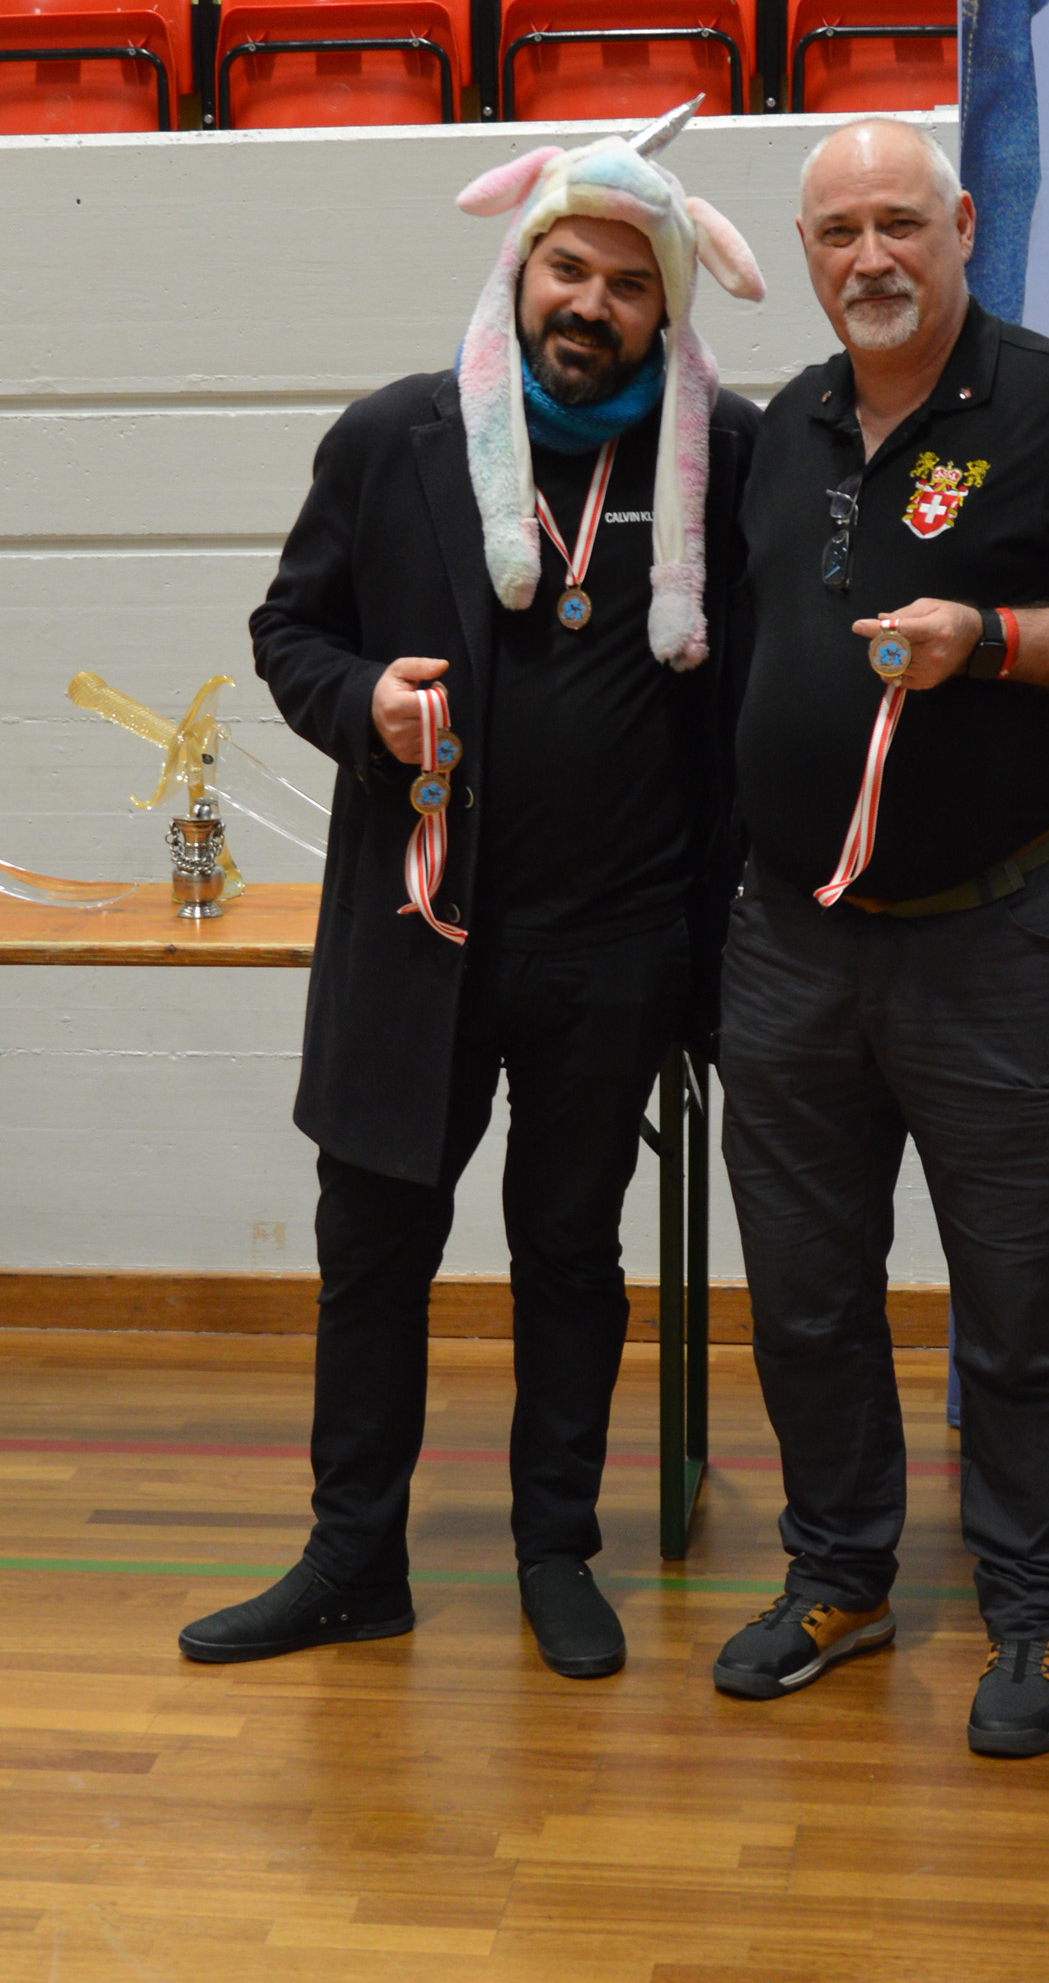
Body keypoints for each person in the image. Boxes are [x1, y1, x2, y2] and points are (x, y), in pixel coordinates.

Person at [178, 110, 764, 1680]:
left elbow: (749, 702)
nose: (592, 304)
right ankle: (352, 1560)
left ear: (665, 305)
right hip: (413, 937)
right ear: (521, 266)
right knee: (374, 1254)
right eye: (569, 268)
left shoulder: (723, 454)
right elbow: (289, 631)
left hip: (617, 945)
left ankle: (553, 1551)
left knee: (570, 1255)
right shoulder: (395, 437)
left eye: (628, 284)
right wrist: (362, 699)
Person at [710, 118, 1049, 1754]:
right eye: (838, 231)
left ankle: (1033, 1609)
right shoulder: (781, 428)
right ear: (806, 255)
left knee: (1018, 1300)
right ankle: (840, 1576)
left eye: (900, 223)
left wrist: (991, 639)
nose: (871, 256)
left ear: (963, 229)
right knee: (804, 1295)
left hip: (1000, 939)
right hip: (793, 944)